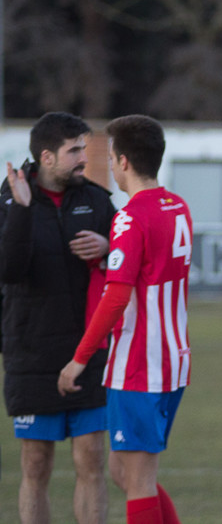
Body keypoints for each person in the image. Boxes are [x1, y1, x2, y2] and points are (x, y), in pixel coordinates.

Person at [57, 115, 192, 524]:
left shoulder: (131, 216)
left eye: (112, 159)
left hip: (139, 363)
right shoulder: (177, 206)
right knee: (127, 472)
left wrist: (78, 359)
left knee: (137, 480)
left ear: (125, 162)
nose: (111, 168)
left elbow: (116, 296)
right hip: (173, 358)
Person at [1, 112, 115, 524]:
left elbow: (125, 264)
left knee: (92, 459)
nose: (84, 157)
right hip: (31, 354)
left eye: (84, 148)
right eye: (74, 150)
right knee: (35, 464)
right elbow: (9, 271)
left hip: (87, 352)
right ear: (47, 157)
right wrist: (21, 212)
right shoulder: (10, 199)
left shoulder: (97, 201)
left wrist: (106, 246)